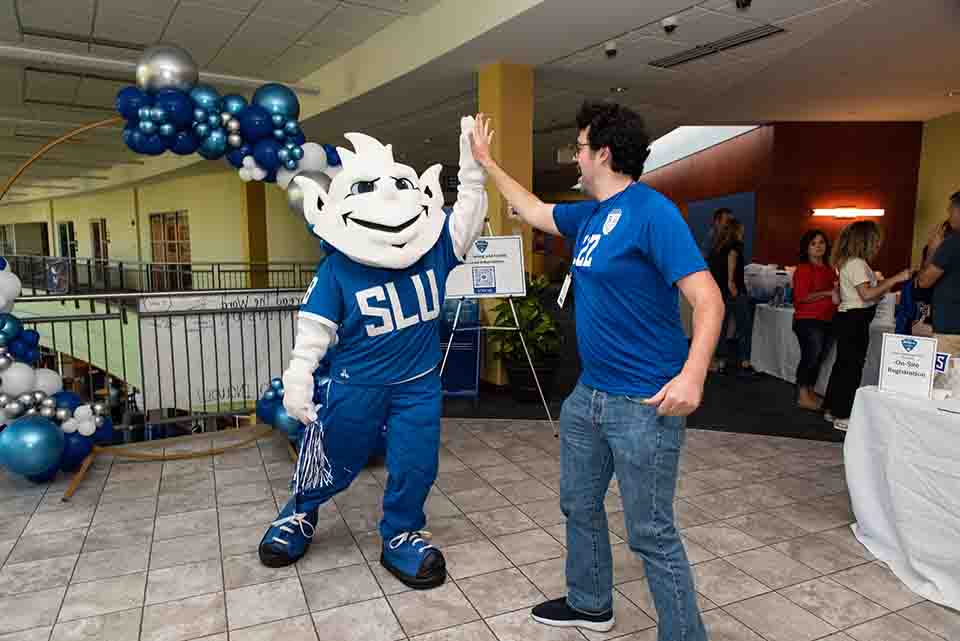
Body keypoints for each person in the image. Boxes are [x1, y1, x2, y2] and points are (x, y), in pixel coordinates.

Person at [469, 103, 722, 639]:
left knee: (650, 531)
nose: (575, 157)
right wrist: (487, 163)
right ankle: (590, 603)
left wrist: (693, 375)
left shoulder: (653, 213)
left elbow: (708, 300)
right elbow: (536, 210)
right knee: (578, 503)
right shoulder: (592, 215)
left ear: (603, 153)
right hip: (590, 395)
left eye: (580, 147)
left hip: (644, 402)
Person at [260, 117, 488, 590]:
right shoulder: (339, 267)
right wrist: (299, 376)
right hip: (356, 386)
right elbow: (314, 326)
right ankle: (299, 513)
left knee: (416, 462)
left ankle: (402, 533)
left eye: (399, 184)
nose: (387, 196)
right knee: (333, 458)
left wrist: (473, 170)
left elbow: (467, 218)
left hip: (419, 386)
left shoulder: (433, 249)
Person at [823, 221, 910, 430]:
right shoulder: (856, 264)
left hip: (850, 317)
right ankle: (843, 414)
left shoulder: (851, 263)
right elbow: (866, 294)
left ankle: (833, 408)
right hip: (855, 319)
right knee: (851, 367)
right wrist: (896, 279)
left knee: (843, 365)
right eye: (876, 240)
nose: (879, 245)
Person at [791, 230, 837, 410]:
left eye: (822, 243)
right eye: (814, 243)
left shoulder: (830, 270)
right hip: (808, 320)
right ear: (806, 248)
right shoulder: (803, 269)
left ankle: (809, 392)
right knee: (811, 356)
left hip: (828, 319)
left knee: (819, 358)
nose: (819, 247)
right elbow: (802, 296)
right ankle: (802, 395)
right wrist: (828, 293)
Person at [708, 217, 756, 376]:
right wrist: (732, 284)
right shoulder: (735, 246)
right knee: (744, 326)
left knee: (721, 328)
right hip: (734, 291)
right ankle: (745, 361)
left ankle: (719, 361)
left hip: (719, 292)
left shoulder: (716, 248)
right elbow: (732, 261)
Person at [915, 191, 960, 356]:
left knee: (945, 380)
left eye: (951, 211)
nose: (949, 216)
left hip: (950, 329)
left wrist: (933, 250)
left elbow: (924, 281)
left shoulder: (952, 243)